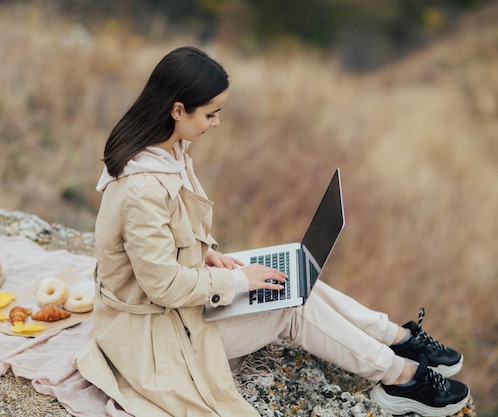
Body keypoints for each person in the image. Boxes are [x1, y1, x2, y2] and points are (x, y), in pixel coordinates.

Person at [74, 46, 469, 417]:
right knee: (291, 305)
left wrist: (207, 254)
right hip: (154, 336)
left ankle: (396, 337)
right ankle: (400, 377)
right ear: (178, 109)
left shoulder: (167, 152)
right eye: (211, 114)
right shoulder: (142, 186)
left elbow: (167, 239)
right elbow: (161, 285)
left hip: (174, 312)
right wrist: (238, 280)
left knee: (294, 276)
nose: (217, 122)